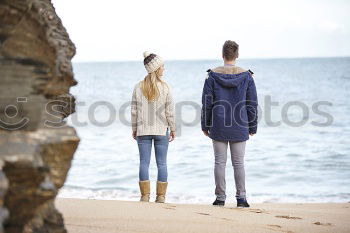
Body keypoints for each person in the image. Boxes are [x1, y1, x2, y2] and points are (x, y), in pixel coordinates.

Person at [201, 40, 258, 207]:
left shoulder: (212, 75)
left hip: (218, 124)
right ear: (237, 55)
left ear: (222, 55)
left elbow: (207, 103)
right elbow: (252, 103)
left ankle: (220, 198)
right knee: (238, 163)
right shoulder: (247, 76)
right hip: (240, 124)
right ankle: (242, 198)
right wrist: (253, 126)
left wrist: (205, 125)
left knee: (219, 162)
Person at [131, 52, 176, 203]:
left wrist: (134, 128)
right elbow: (169, 111)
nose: (164, 68)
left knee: (144, 163)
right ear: (156, 68)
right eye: (162, 66)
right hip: (161, 131)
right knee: (162, 163)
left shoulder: (138, 87)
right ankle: (161, 197)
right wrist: (173, 128)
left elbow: (134, 111)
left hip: (143, 131)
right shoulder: (165, 87)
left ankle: (144, 196)